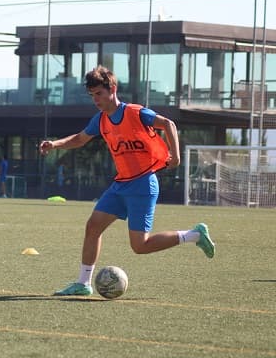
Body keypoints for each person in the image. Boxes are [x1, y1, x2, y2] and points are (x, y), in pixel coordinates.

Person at [39, 65, 215, 296]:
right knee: (93, 227)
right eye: (92, 95)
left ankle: (194, 235)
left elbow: (168, 124)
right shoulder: (101, 120)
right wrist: (55, 144)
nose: (95, 100)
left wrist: (176, 156)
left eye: (99, 94)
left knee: (140, 246)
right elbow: (80, 139)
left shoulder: (135, 112)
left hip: (143, 184)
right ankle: (83, 283)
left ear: (112, 89)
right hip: (120, 184)